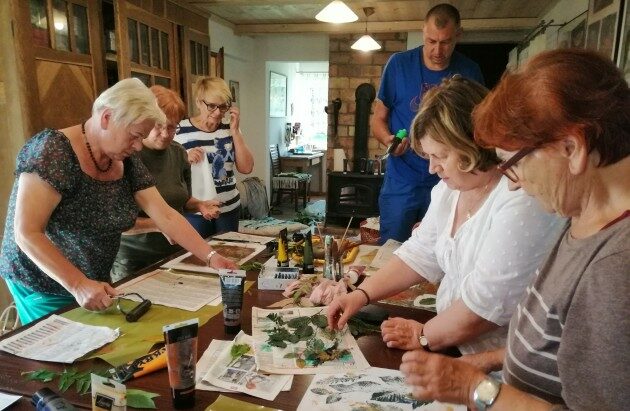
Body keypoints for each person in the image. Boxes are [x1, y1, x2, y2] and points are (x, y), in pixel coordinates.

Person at [399, 49, 630, 410]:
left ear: (571, 148)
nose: (513, 183)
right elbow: (561, 347)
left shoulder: (616, 265)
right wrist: (489, 359)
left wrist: (476, 390)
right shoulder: (583, 221)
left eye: (513, 162)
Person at [327, 76, 564, 355]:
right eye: (428, 157)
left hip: (503, 365)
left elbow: (485, 306)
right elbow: (420, 253)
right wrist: (361, 295)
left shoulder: (520, 196)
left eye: (440, 156)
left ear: (471, 145)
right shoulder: (449, 189)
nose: (432, 169)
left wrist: (424, 336)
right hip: (455, 342)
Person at [0, 78, 238, 325]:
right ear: (106, 118)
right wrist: (78, 284)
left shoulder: (126, 160)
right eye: (135, 136)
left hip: (92, 275)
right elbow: (27, 232)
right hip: (43, 281)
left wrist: (211, 257)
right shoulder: (52, 151)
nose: (138, 146)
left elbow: (165, 215)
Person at [372, 3, 485, 243]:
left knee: (442, 249)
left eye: (445, 42)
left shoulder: (470, 71)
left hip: (451, 180)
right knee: (392, 247)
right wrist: (388, 139)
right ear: (423, 32)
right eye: (431, 41)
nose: (437, 50)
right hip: (402, 180)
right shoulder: (398, 65)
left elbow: (480, 128)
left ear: (458, 35)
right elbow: (378, 119)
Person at [112, 86, 222, 282]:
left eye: (172, 126)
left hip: (174, 251)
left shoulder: (178, 153)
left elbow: (180, 199)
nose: (165, 133)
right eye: (158, 126)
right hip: (133, 259)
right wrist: (160, 225)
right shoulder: (125, 156)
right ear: (144, 122)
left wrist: (199, 205)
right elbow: (115, 222)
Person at [175, 77, 254, 238]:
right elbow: (169, 173)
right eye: (211, 106)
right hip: (196, 211)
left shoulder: (230, 128)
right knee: (199, 258)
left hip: (229, 208)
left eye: (223, 106)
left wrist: (235, 132)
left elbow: (246, 168)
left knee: (229, 254)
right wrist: (185, 160)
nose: (218, 112)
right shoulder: (179, 131)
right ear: (198, 102)